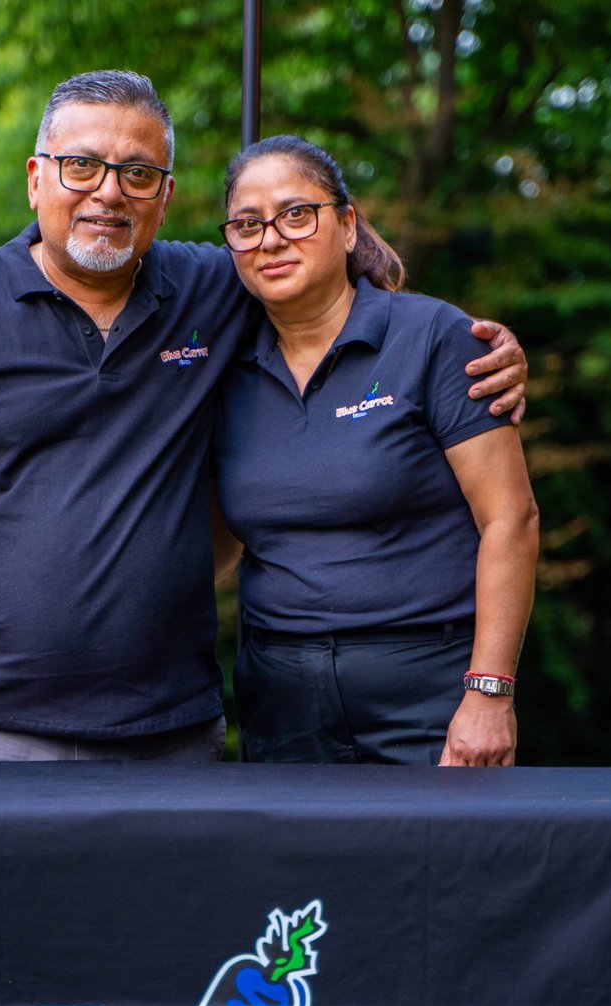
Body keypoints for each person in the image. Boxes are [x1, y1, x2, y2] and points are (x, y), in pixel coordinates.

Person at [0, 70, 530, 770]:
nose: (109, 192)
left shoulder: (211, 289)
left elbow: (309, 264)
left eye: (138, 173)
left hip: (170, 731)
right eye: (81, 165)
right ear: (36, 178)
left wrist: (467, 338)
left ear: (165, 196)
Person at [212, 136, 539, 767]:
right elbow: (221, 537)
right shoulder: (225, 365)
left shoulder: (435, 338)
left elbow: (511, 520)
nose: (271, 240)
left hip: (427, 690)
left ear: (347, 224)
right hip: (280, 696)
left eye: (296, 214)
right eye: (248, 225)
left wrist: (490, 692)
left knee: (440, 838)